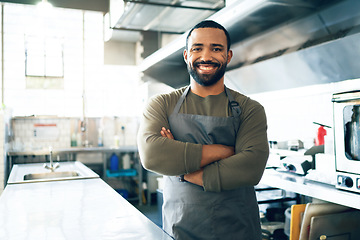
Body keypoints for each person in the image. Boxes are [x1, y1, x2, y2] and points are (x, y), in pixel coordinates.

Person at [137, 20, 269, 240]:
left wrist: (180, 166)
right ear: (186, 55)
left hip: (239, 229)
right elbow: (152, 156)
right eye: (197, 48)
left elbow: (251, 167)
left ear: (228, 56)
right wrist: (226, 151)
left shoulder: (250, 109)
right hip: (182, 228)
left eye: (216, 49)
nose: (206, 56)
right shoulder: (162, 104)